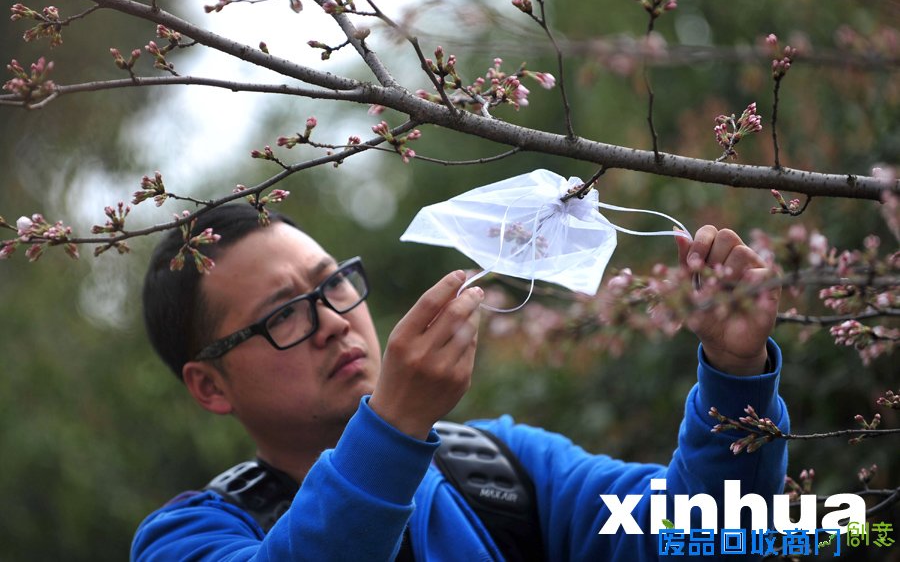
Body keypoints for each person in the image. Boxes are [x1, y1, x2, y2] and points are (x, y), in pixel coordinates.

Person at [131, 203, 788, 561]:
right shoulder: (189, 539)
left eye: (332, 283)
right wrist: (390, 432)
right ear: (209, 386)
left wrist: (735, 378)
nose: (332, 320)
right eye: (281, 315)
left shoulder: (502, 469)